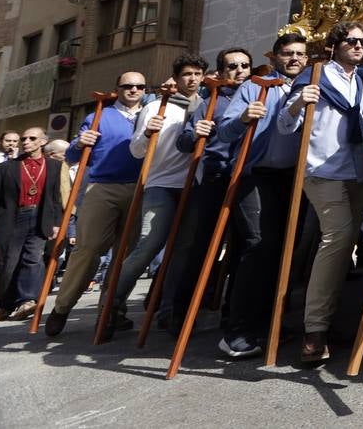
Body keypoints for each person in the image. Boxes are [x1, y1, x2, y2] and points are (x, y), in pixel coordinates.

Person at [277, 21, 363, 366]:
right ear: (335, 44)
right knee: (339, 237)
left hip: (357, 171)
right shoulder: (313, 76)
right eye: (351, 40)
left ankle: (331, 321)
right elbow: (284, 125)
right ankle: (314, 330)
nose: (358, 46)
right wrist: (297, 104)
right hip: (322, 171)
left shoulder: (360, 81)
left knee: (344, 244)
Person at [216, 33, 314, 359]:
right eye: (288, 53)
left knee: (284, 249)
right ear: (275, 57)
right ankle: (237, 329)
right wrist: (245, 117)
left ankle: (268, 321)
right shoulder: (255, 86)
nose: (294, 59)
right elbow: (225, 129)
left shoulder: (309, 88)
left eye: (300, 54)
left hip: (292, 177)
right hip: (254, 174)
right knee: (258, 246)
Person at [101, 54, 209, 340]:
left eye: (197, 74)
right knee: (148, 246)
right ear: (177, 77)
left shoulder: (207, 105)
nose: (192, 79)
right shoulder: (156, 107)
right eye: (187, 74)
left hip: (193, 184)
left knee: (183, 252)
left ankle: (167, 311)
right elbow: (137, 151)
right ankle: (111, 306)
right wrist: (148, 132)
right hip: (161, 184)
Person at [43, 72, 146, 336]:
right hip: (103, 186)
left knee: (125, 255)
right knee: (88, 249)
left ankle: (111, 311)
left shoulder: (151, 113)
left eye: (139, 86)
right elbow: (74, 156)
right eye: (128, 86)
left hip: (141, 188)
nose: (134, 90)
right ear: (118, 88)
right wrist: (80, 143)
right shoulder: (98, 116)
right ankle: (62, 307)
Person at [162, 48, 252, 327]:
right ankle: (179, 311)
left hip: (248, 181)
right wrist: (195, 133)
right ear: (222, 72)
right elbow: (184, 142)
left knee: (244, 246)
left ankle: (233, 311)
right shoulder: (210, 100)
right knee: (199, 246)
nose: (239, 71)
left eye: (245, 65)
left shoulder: (260, 96)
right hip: (215, 178)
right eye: (232, 66)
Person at [0, 127, 63, 321]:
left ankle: (27, 301)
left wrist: (56, 223)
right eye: (24, 138)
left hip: (40, 217)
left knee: (32, 259)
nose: (26, 141)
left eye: (32, 138)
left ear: (43, 142)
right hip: (12, 218)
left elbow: (55, 198)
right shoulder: (4, 168)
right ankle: (3, 305)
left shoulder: (54, 166)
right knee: (9, 262)